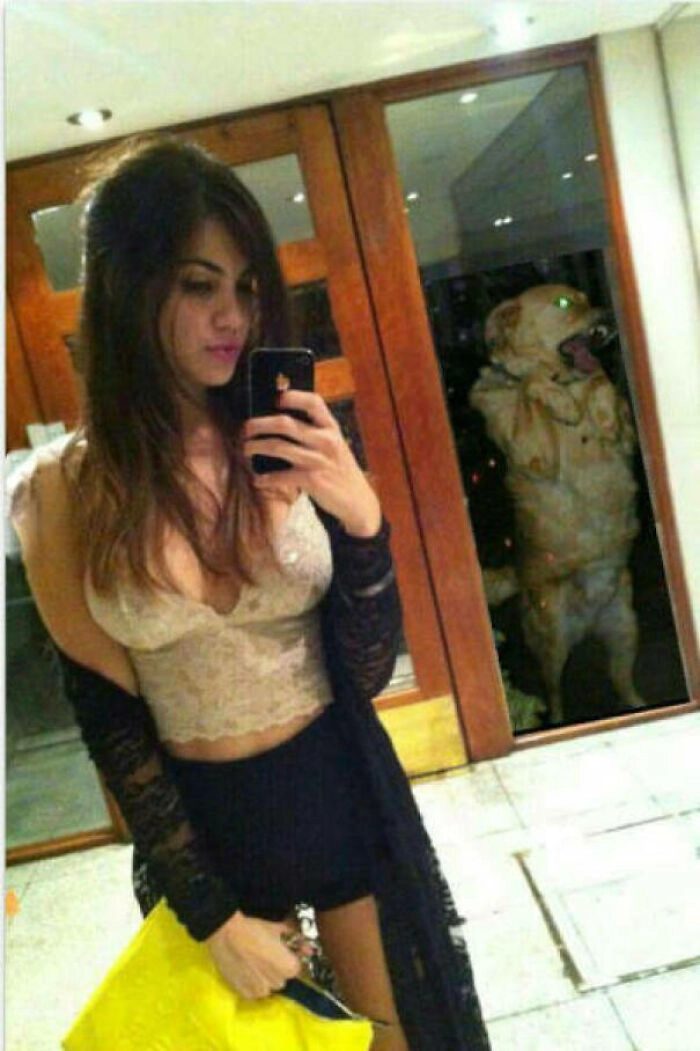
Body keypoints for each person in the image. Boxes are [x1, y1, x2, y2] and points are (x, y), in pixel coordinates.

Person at [10, 137, 491, 1050]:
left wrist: (362, 521)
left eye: (245, 285)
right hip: (206, 830)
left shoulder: (279, 434)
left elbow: (362, 667)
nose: (232, 315)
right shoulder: (63, 492)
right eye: (199, 285)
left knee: (393, 1040)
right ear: (126, 287)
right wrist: (211, 915)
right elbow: (111, 720)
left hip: (341, 788)